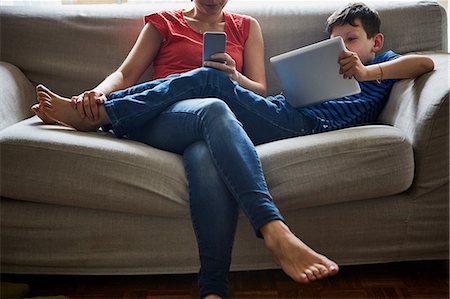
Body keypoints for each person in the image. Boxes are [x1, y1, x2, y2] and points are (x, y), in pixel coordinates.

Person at [33, 2, 434, 298]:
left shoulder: (381, 63)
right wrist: (99, 94)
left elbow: (424, 65)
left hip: (270, 120)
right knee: (209, 93)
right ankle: (235, 270)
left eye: (351, 40)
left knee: (212, 110)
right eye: (336, 42)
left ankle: (213, 288)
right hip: (237, 113)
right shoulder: (164, 22)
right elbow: (125, 72)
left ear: (375, 42)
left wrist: (368, 71)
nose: (343, 49)